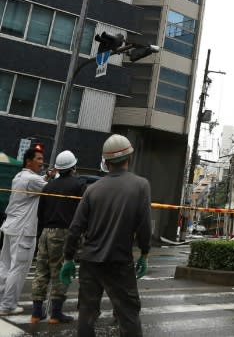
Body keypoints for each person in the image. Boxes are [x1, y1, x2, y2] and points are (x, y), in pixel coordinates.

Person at [61, 134, 151, 337]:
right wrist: (144, 253)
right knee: (128, 315)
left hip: (90, 262)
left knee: (87, 313)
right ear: (129, 157)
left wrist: (68, 258)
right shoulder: (141, 186)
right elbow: (144, 226)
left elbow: (75, 228)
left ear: (106, 161)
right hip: (120, 262)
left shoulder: (92, 190)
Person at [30, 150, 86, 324]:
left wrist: (41, 232)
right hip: (64, 232)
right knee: (61, 271)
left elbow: (40, 213)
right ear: (73, 167)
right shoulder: (78, 185)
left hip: (46, 232)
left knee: (41, 271)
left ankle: (36, 313)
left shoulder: (48, 186)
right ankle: (56, 313)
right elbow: (82, 211)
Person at [0, 146, 50, 316]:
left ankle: (2, 300)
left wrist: (46, 176)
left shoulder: (19, 177)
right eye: (39, 159)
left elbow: (37, 183)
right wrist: (54, 177)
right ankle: (8, 305)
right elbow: (50, 188)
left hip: (10, 225)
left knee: (5, 265)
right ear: (29, 161)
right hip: (23, 229)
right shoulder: (33, 180)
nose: (42, 162)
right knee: (19, 268)